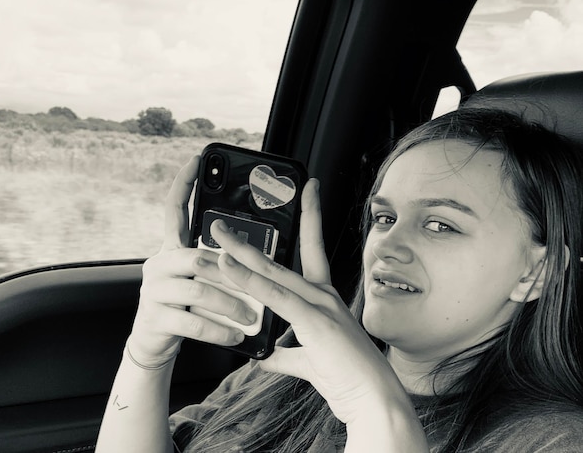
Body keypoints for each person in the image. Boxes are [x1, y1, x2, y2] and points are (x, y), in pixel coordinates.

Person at [96, 108, 583, 452]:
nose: (386, 246)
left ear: (535, 271)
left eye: (440, 225)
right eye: (384, 218)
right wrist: (145, 359)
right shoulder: (289, 362)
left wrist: (378, 416)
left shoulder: (551, 441)